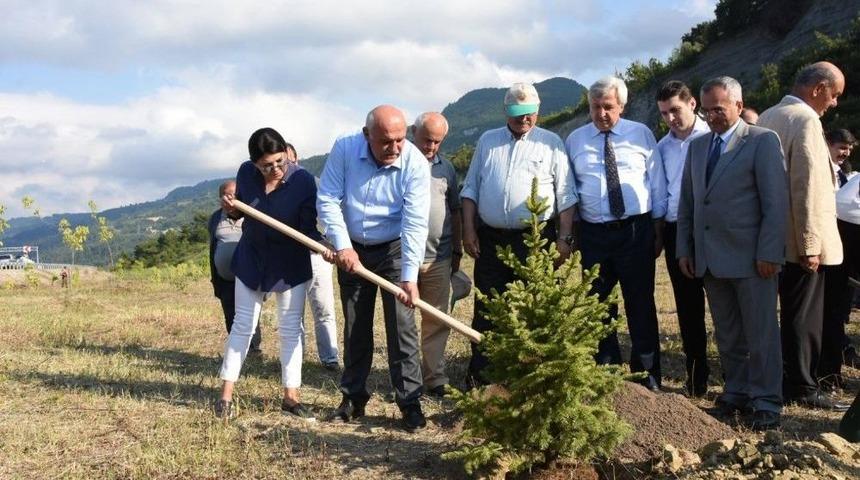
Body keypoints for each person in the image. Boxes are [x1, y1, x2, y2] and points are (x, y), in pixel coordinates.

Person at [677, 76, 788, 430]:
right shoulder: (697, 148)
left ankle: (766, 401)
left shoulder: (762, 141)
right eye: (707, 110)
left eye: (719, 109)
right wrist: (685, 249)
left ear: (739, 106)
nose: (712, 117)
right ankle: (736, 393)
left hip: (753, 260)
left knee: (761, 334)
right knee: (727, 334)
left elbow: (775, 204)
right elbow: (689, 205)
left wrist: (770, 252)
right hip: (710, 261)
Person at [317, 105, 431, 432]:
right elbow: (327, 198)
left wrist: (409, 277)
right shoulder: (344, 149)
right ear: (367, 135)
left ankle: (409, 401)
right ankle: (353, 398)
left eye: (400, 140)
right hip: (352, 248)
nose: (394, 148)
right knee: (355, 326)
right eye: (386, 142)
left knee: (402, 327)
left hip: (394, 248)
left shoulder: (415, 164)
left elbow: (415, 223)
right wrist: (342, 245)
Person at [461, 82, 577, 386]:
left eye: (528, 114)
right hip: (491, 239)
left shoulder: (552, 143)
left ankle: (533, 377)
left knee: (535, 308)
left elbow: (566, 195)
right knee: (487, 306)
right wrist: (469, 229)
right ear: (506, 112)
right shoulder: (488, 141)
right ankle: (483, 376)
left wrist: (564, 239)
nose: (523, 120)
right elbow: (471, 188)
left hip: (535, 240)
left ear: (537, 111)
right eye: (516, 114)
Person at [757, 61, 849, 411]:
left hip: (775, 236)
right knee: (804, 315)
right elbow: (806, 186)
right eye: (834, 94)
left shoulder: (768, 115)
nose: (835, 103)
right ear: (818, 88)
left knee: (786, 312)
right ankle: (803, 385)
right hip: (800, 240)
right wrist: (811, 244)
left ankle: (787, 377)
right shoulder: (806, 120)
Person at [215, 127, 324, 420]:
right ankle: (225, 396)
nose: (275, 169)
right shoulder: (246, 174)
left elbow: (308, 227)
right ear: (254, 164)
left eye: (280, 162)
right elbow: (241, 213)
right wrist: (231, 209)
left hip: (289, 261)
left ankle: (291, 397)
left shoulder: (303, 181)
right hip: (252, 258)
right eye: (267, 166)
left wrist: (322, 246)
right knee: (243, 325)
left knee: (290, 330)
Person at [565, 76, 666, 390]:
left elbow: (657, 182)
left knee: (641, 304)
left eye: (608, 106)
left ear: (622, 105)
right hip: (594, 235)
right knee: (599, 306)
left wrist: (658, 230)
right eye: (595, 107)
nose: (601, 113)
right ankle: (606, 375)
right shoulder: (576, 139)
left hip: (635, 232)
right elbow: (570, 189)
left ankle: (647, 376)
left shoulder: (641, 134)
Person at [655, 80, 712, 397]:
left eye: (675, 110)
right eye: (664, 113)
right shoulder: (662, 148)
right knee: (688, 307)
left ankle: (737, 378)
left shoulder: (714, 138)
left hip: (712, 229)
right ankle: (696, 377)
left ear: (692, 104)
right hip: (677, 229)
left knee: (723, 304)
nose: (670, 118)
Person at [411, 112, 462, 397]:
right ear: (413, 133)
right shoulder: (398, 163)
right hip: (402, 258)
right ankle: (407, 379)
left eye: (437, 142)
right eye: (427, 140)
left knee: (436, 319)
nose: (431, 147)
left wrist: (457, 248)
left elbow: (454, 209)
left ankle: (434, 378)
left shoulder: (448, 169)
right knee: (402, 322)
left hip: (438, 257)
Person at [284, 143, 340, 371]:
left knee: (324, 308)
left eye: (288, 160)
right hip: (288, 257)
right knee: (292, 312)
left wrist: (328, 242)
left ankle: (330, 358)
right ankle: (296, 359)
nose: (285, 166)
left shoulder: (312, 183)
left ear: (296, 159)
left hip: (317, 256)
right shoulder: (272, 190)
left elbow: (328, 215)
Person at [820, 130, 859, 388]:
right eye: (841, 147)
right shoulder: (824, 171)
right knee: (831, 310)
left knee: (838, 309)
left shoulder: (850, 176)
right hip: (833, 247)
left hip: (847, 246)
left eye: (849, 149)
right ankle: (830, 369)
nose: (844, 153)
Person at [208, 180, 262, 354]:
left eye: (235, 194)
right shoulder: (216, 218)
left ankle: (253, 349)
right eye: (227, 194)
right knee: (230, 313)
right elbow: (214, 244)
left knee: (249, 313)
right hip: (224, 279)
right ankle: (236, 349)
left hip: (247, 276)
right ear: (220, 198)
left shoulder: (252, 216)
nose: (232, 198)